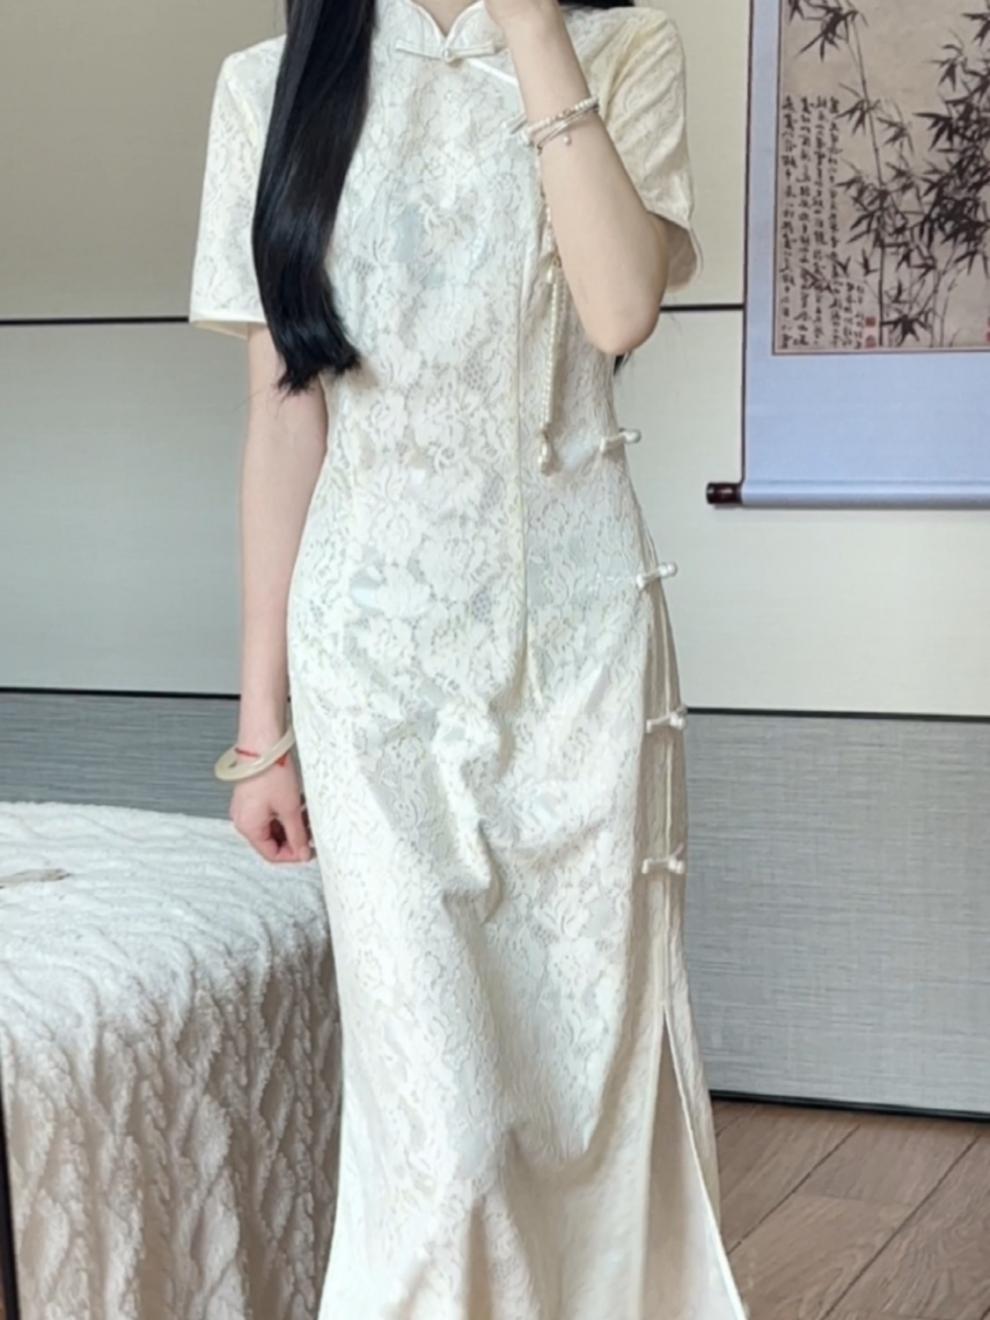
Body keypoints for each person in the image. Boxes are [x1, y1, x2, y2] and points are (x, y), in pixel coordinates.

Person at [190, 0, 749, 1314]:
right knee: (439, 1136)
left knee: (586, 1098)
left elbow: (618, 308)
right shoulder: (268, 86)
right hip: (369, 667)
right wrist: (262, 728)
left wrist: (534, 28)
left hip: (579, 664)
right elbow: (284, 420)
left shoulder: (624, 49)